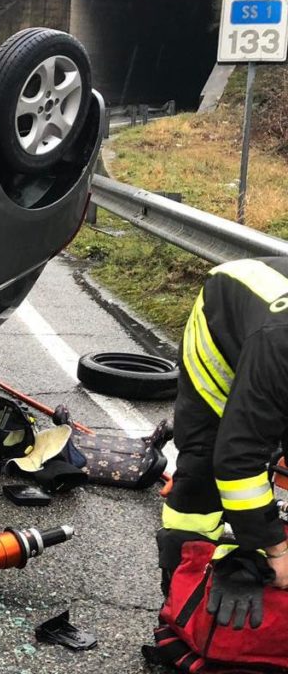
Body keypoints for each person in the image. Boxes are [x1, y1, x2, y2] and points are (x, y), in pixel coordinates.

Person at [158, 257, 288, 628]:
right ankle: (181, 582)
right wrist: (274, 550)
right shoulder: (279, 347)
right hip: (223, 323)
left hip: (266, 327)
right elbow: (236, 459)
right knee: (206, 457)